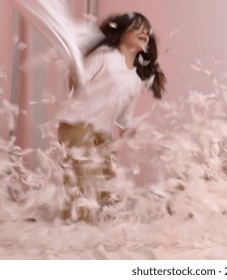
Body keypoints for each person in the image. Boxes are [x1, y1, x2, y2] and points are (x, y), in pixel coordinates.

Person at [57, 12, 166, 222]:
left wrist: (131, 129)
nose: (144, 32)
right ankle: (78, 227)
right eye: (137, 28)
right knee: (85, 178)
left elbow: (125, 118)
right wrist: (74, 73)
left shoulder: (135, 80)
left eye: (147, 31)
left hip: (102, 133)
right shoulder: (105, 56)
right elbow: (79, 80)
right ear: (122, 32)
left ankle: (89, 225)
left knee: (109, 184)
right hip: (76, 125)